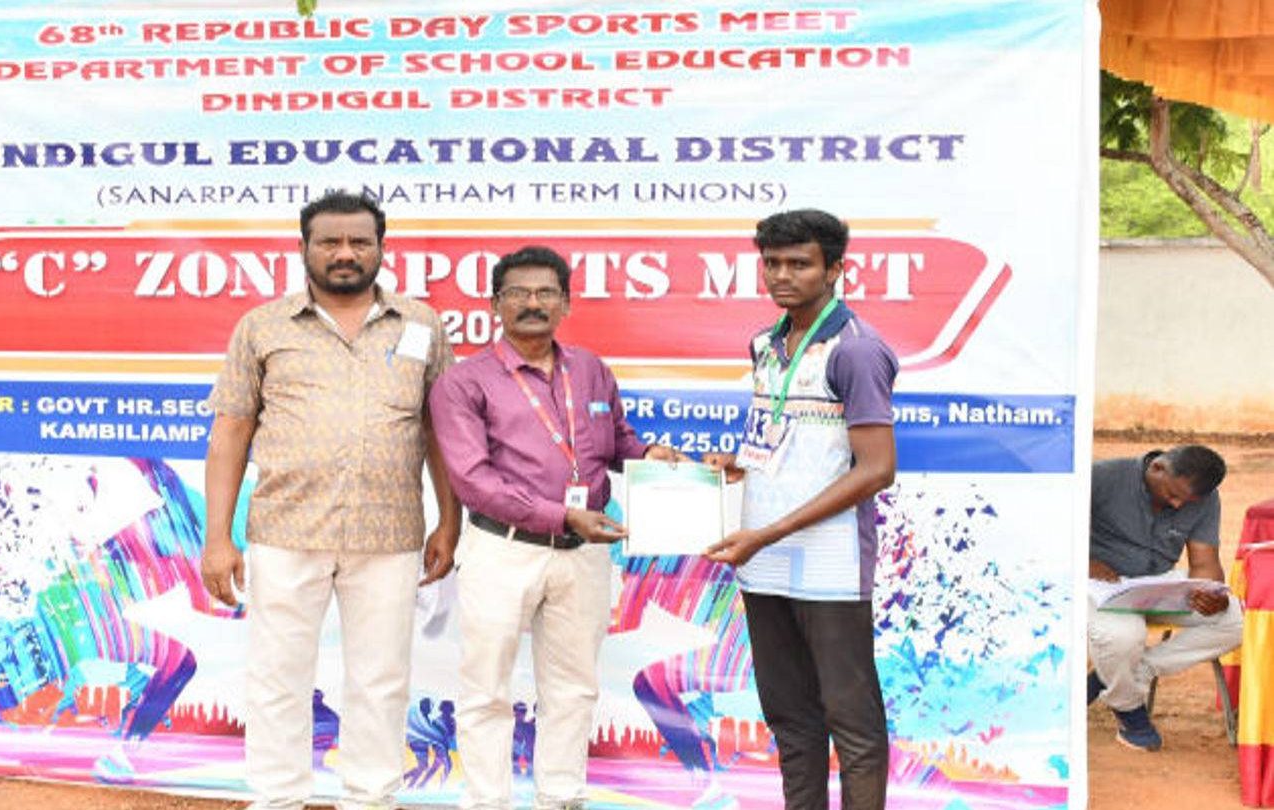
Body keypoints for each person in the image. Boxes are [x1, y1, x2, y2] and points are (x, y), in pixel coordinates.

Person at [200, 189, 461, 810]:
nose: (345, 253)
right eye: (331, 242)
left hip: (388, 535)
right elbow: (231, 430)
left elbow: (441, 430)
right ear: (304, 248)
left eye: (359, 242)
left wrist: (450, 522)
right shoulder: (262, 326)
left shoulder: (421, 325)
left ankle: (370, 799)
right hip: (286, 531)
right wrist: (217, 537)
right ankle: (278, 799)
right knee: (278, 677)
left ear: (381, 249)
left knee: (380, 680)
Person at [428, 245, 687, 810]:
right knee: (486, 688)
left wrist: (653, 456)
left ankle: (561, 797)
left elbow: (617, 441)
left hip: (582, 554)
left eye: (546, 292)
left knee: (573, 687)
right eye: (518, 293)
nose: (533, 303)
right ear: (495, 304)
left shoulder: (591, 370)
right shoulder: (463, 383)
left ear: (566, 304)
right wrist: (563, 515)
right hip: (503, 550)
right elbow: (473, 481)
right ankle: (488, 802)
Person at [702, 209, 898, 810]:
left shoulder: (856, 351)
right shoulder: (765, 343)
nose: (783, 276)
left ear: (835, 269)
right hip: (763, 557)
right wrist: (741, 463)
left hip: (829, 563)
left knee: (851, 720)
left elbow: (876, 468)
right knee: (790, 716)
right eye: (773, 264)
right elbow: (788, 439)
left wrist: (772, 531)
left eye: (800, 264)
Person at [1086, 445, 1239, 752]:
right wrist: (1085, 561)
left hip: (1156, 584)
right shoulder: (1101, 478)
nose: (1178, 504)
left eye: (1187, 502)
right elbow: (1049, 531)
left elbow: (1205, 562)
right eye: (1172, 495)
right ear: (1157, 468)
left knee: (1237, 621)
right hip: (1099, 584)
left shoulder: (1204, 497)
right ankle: (1129, 710)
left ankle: (1131, 672)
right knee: (1123, 636)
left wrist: (1212, 594)